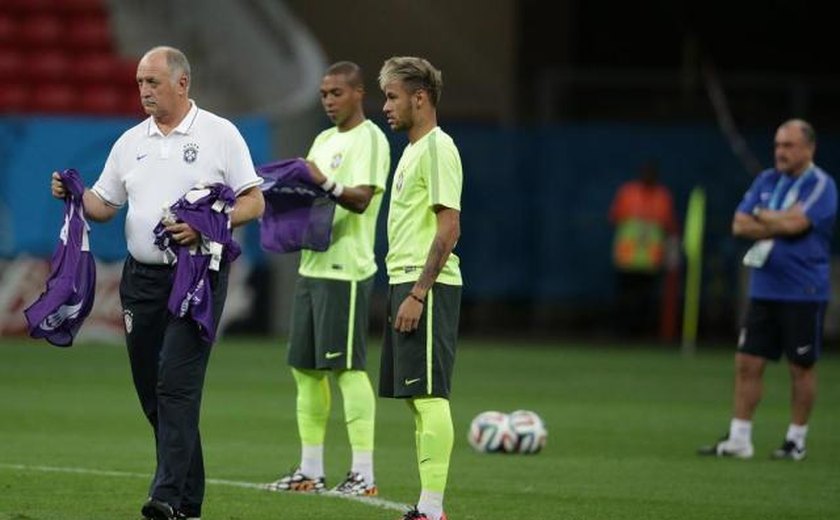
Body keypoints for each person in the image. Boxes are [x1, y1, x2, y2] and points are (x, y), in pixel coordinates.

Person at [50, 46, 265, 520]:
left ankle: (165, 497)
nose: (144, 91)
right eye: (140, 83)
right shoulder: (130, 142)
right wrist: (75, 194)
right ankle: (188, 503)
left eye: (153, 82)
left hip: (197, 275)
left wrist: (213, 224)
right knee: (154, 392)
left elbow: (254, 201)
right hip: (141, 279)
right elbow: (105, 206)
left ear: (182, 83)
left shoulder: (220, 134)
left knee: (176, 387)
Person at [264, 61, 390, 495]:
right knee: (305, 371)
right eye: (323, 94)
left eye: (337, 92)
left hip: (347, 270)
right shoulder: (322, 139)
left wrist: (323, 181)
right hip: (312, 266)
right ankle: (310, 471)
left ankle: (363, 474)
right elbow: (314, 197)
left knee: (348, 369)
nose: (329, 101)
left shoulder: (370, 138)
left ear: (359, 93)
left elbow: (359, 199)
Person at [698, 119, 837, 460]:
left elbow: (799, 223)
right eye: (778, 145)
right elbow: (739, 223)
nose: (780, 152)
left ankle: (796, 440)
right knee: (747, 362)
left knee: (800, 366)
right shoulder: (766, 179)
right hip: (764, 288)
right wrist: (775, 218)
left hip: (803, 289)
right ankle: (740, 438)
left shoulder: (821, 184)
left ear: (809, 148)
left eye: (789, 145)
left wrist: (763, 217)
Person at [378, 56, 462, 520]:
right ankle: (426, 505)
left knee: (430, 394)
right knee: (416, 396)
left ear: (420, 98)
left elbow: (449, 228)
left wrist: (418, 293)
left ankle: (432, 508)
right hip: (403, 279)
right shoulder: (412, 149)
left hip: (424, 283)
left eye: (392, 97)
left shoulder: (437, 148)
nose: (386, 106)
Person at [608, 160, 679, 339]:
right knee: (625, 297)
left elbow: (669, 225)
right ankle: (621, 332)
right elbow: (614, 217)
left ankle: (641, 333)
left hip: (650, 259)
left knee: (645, 299)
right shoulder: (628, 193)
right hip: (627, 257)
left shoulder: (662, 196)